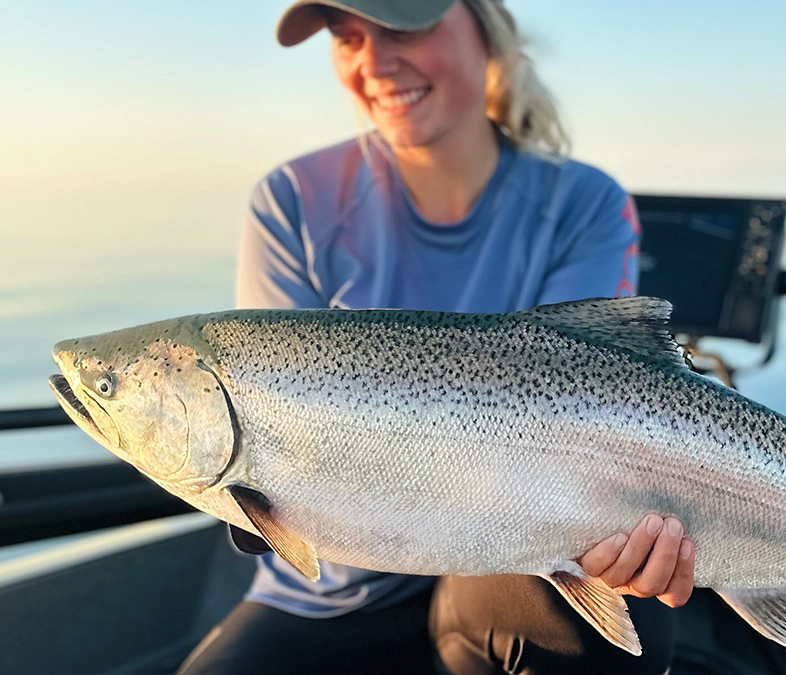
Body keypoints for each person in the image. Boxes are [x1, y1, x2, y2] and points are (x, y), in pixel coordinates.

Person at [177, 1, 695, 673]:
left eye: (402, 26)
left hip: (509, 575)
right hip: (327, 593)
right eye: (348, 36)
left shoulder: (584, 204)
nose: (373, 61)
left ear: (488, 29)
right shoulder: (293, 199)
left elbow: (595, 396)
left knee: (617, 619)